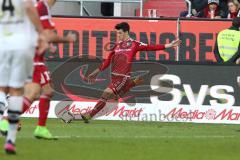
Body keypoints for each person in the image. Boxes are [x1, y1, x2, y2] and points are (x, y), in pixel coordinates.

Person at [0, 0, 76, 140]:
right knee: (37, 91)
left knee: (43, 90)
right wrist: (67, 39)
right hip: (31, 56)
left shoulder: (34, 6)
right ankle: (8, 120)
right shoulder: (42, 6)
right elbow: (47, 34)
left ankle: (39, 127)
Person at [80, 22, 181, 123]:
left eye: (119, 33)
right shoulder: (116, 46)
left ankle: (89, 115)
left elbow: (151, 47)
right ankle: (131, 84)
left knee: (106, 93)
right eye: (117, 33)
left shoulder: (134, 44)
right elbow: (107, 61)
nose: (118, 35)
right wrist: (96, 72)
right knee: (112, 97)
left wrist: (169, 45)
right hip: (114, 77)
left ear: (126, 32)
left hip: (123, 76)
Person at [0, 0, 48, 154]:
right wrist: (41, 32)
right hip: (20, 45)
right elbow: (28, 7)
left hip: (3, 44)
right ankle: (10, 140)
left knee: (2, 88)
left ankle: (3, 122)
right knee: (17, 90)